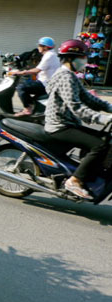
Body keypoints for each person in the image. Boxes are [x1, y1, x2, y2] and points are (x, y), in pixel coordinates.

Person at [44, 39, 112, 199]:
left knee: (103, 139)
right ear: (70, 58)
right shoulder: (65, 77)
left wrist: (109, 108)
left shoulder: (70, 76)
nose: (85, 61)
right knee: (100, 146)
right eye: (82, 57)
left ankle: (87, 175)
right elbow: (76, 107)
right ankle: (74, 180)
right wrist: (103, 118)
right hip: (60, 126)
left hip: (68, 123)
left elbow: (88, 98)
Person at [11, 37, 60, 116]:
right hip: (48, 83)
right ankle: (32, 107)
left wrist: (22, 72)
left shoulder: (49, 55)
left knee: (21, 87)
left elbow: (37, 70)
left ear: (45, 47)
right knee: (30, 91)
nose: (38, 47)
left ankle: (27, 109)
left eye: (39, 45)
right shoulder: (53, 55)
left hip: (45, 84)